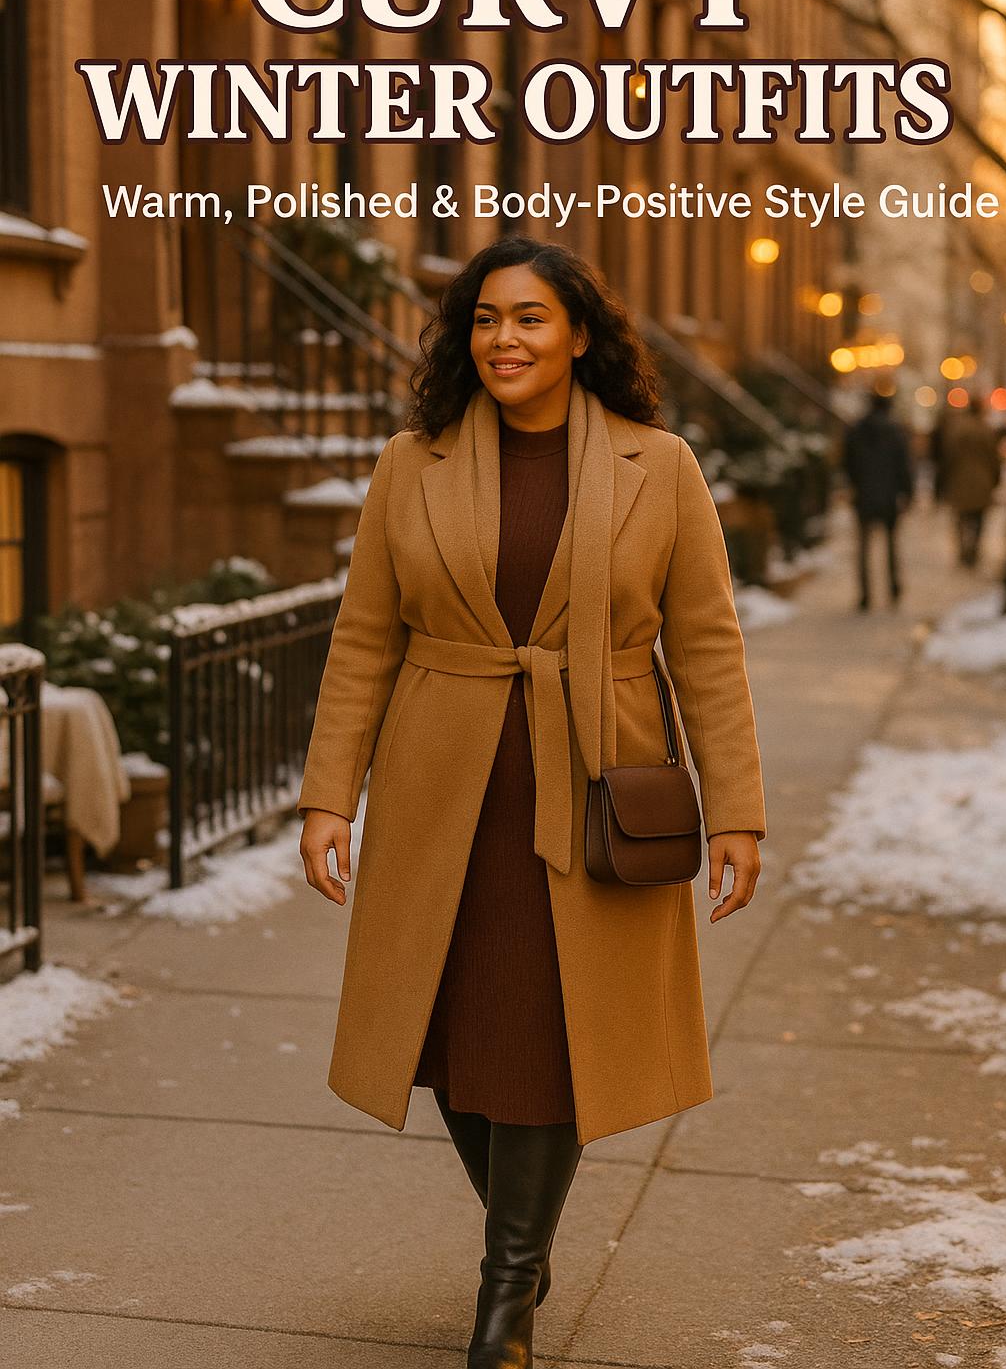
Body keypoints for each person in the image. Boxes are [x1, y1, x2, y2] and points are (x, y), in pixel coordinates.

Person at [297, 235, 766, 1369]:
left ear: (580, 336)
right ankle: (528, 1241)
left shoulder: (661, 464)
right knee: (453, 1032)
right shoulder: (415, 463)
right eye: (485, 319)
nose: (504, 339)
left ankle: (505, 1293)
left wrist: (738, 811)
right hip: (440, 781)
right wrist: (327, 798)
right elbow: (363, 638)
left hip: (593, 779)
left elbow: (706, 645)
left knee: (555, 1035)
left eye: (530, 319)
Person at [842, 392, 915, 610]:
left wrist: (854, 485)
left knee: (864, 548)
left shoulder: (856, 430)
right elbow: (904, 465)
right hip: (889, 497)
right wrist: (907, 492)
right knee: (891, 546)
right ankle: (893, 588)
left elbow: (847, 463)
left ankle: (865, 594)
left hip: (864, 496)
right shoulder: (896, 432)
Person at [942, 396, 1002, 568]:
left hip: (959, 479)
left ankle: (963, 549)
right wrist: (996, 479)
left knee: (961, 518)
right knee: (979, 520)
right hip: (982, 482)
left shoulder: (958, 430)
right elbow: (994, 459)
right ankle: (973, 550)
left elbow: (949, 456)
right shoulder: (987, 430)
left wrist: (945, 479)